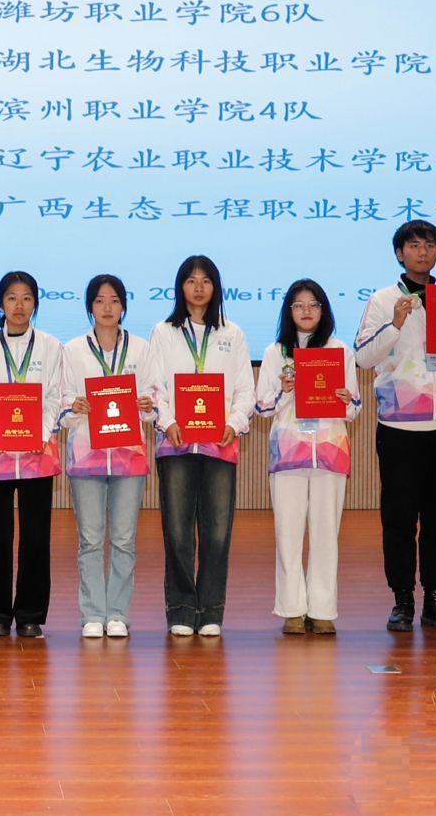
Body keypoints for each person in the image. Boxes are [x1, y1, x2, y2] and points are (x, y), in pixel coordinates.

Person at [353, 220, 436, 634]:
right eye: (413, 245)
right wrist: (394, 324)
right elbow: (363, 358)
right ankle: (402, 599)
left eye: (429, 245)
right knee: (399, 518)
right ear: (399, 253)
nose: (422, 251)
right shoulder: (382, 300)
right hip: (400, 427)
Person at [147, 254, 255, 638]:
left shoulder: (232, 333)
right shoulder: (163, 332)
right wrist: (167, 420)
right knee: (177, 532)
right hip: (176, 445)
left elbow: (245, 390)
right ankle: (180, 608)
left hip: (219, 445)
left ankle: (210, 610)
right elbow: (153, 386)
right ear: (180, 286)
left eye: (205, 280)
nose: (198, 287)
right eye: (191, 280)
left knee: (217, 533)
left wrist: (233, 423)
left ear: (215, 287)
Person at [252, 278, 359, 636]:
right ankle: (292, 609)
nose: (306, 311)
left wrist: (346, 399)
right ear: (289, 311)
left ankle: (323, 609)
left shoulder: (340, 350)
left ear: (323, 310)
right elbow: (262, 407)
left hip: (330, 451)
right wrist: (284, 392)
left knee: (327, 533)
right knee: (288, 533)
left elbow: (355, 408)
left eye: (313, 304)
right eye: (298, 305)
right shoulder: (275, 352)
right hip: (288, 452)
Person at [57, 274, 155, 639]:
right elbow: (61, 405)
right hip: (87, 457)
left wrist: (148, 406)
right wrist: (74, 407)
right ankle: (92, 614)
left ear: (124, 306)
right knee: (90, 539)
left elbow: (154, 400)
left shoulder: (141, 349)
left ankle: (118, 613)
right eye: (99, 301)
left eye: (114, 300)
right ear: (90, 307)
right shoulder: (73, 350)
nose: (107, 307)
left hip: (129, 458)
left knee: (124, 539)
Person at [0, 271, 66, 639]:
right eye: (11, 297)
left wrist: (39, 435)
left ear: (36, 303)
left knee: (36, 538)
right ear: (0, 303)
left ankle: (30, 614)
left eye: (27, 297)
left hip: (37, 456)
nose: (19, 305)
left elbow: (54, 397)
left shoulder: (50, 347)